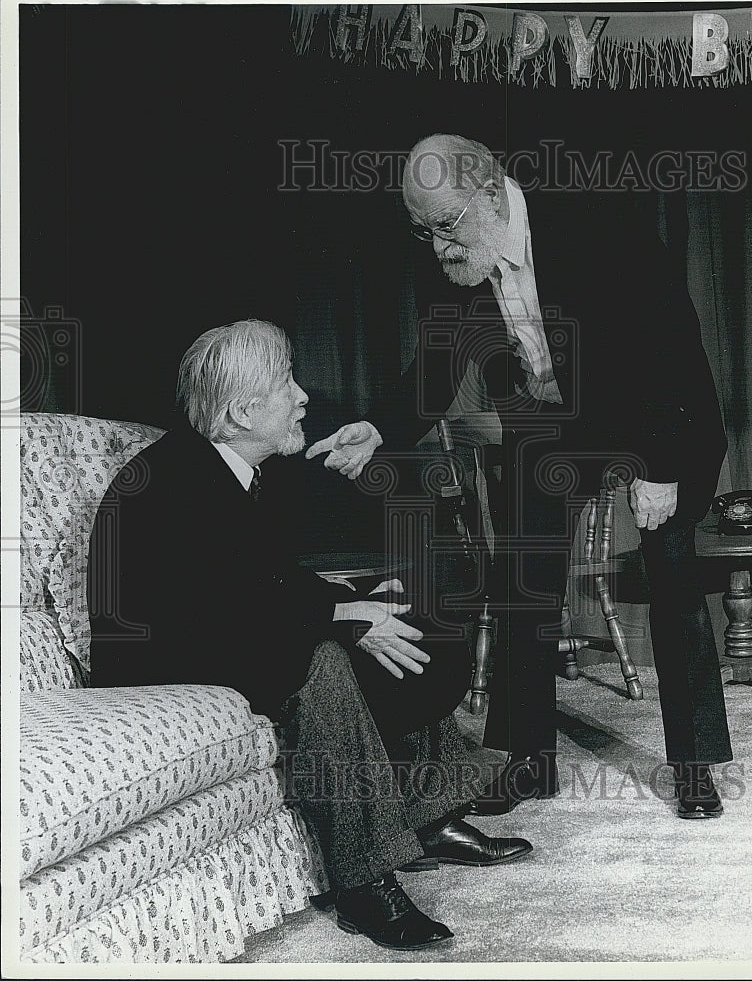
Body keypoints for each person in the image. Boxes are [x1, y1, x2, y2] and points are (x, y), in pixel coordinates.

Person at [306, 133, 732, 820]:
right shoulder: (459, 256)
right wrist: (378, 427)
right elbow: (438, 362)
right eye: (422, 229)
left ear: (489, 191)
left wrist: (662, 470)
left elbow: (669, 351)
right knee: (523, 575)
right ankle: (527, 757)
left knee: (672, 562)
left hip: (657, 414)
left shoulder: (598, 226)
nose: (438, 244)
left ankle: (694, 764)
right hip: (559, 420)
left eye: (445, 224)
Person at [87, 318, 534, 953]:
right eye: (287, 385)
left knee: (385, 615)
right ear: (243, 410)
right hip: (159, 656)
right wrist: (340, 618)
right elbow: (213, 608)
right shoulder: (176, 479)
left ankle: (432, 813)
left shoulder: (237, 467)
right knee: (320, 656)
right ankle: (362, 877)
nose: (303, 397)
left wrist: (355, 604)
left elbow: (260, 581)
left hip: (215, 629)